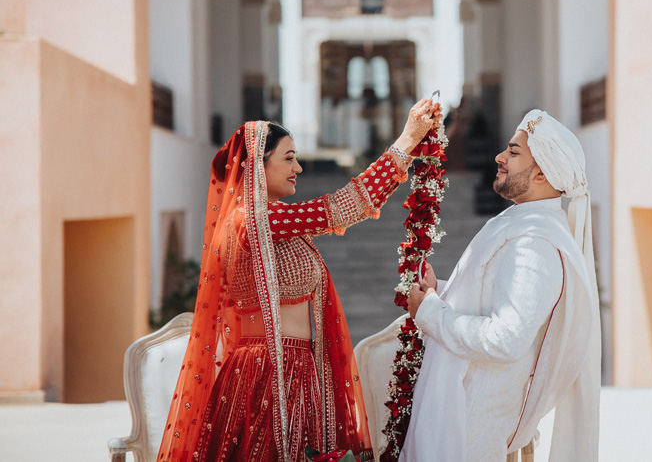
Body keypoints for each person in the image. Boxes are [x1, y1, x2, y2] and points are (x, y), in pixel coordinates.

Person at [156, 99, 442, 462]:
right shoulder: (255, 221)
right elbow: (342, 208)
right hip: (274, 373)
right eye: (288, 158)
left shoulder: (263, 223)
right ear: (256, 167)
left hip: (284, 368)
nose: (299, 168)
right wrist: (407, 141)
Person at [401, 109, 600, 462]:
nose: (499, 157)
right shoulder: (521, 219)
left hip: (471, 422)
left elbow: (506, 338)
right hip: (457, 406)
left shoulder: (537, 244)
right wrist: (439, 291)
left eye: (514, 151)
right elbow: (491, 299)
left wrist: (430, 312)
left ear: (542, 173)